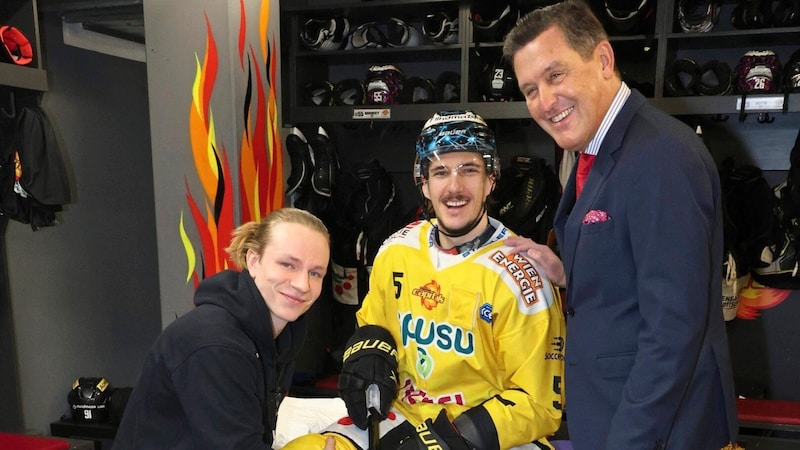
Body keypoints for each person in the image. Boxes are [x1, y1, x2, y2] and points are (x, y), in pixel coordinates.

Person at [501, 1, 740, 449]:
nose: (544, 102)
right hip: (614, 416)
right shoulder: (596, 149)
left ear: (604, 61)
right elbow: (642, 273)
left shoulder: (660, 156)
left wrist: (628, 441)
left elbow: (673, 331)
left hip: (658, 431)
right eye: (530, 89)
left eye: (556, 76)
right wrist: (570, 270)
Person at [282, 110, 566, 450]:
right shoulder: (397, 248)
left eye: (470, 170)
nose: (455, 186)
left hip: (485, 432)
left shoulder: (522, 274)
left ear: (491, 179)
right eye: (441, 171)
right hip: (405, 414)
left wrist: (450, 439)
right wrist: (367, 353)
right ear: (424, 183)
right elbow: (372, 323)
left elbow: (539, 404)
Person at [113, 207, 330, 449]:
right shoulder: (215, 343)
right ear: (253, 261)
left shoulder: (279, 337)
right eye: (288, 264)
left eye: (315, 273)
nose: (302, 284)